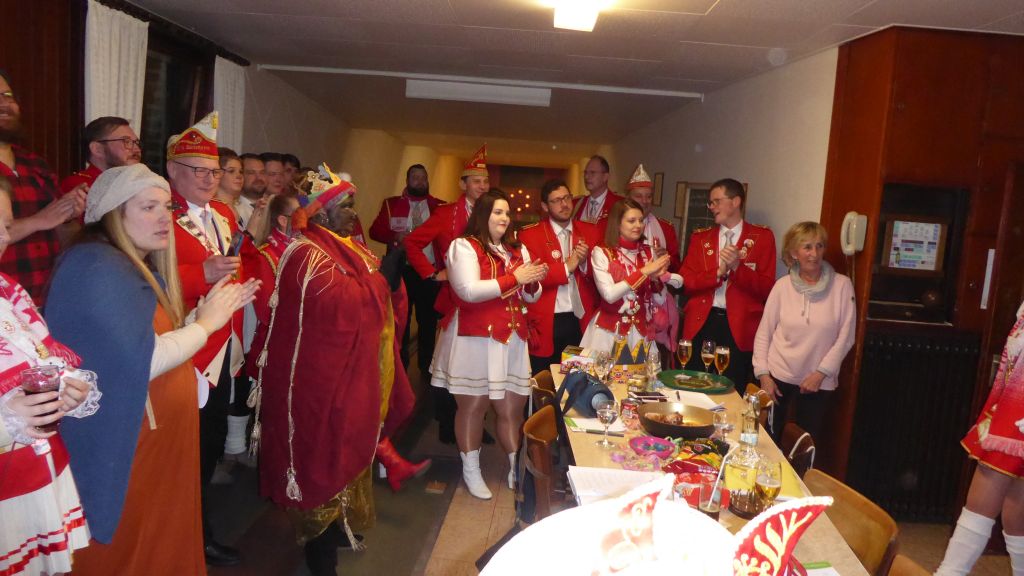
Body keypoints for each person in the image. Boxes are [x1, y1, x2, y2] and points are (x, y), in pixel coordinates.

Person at [46, 164, 257, 575]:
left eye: (166, 207)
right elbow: (141, 361)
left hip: (155, 437)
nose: (164, 218)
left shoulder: (125, 264)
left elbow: (141, 340)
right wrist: (205, 324)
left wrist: (197, 318)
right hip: (129, 444)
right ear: (113, 214)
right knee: (130, 551)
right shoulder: (98, 266)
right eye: (148, 207)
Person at [251, 168, 415, 575]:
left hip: (349, 376)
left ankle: (338, 529)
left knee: (346, 457)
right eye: (347, 205)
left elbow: (371, 296)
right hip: (318, 383)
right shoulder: (306, 254)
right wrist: (384, 280)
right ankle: (320, 558)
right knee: (320, 463)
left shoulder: (344, 248)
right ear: (321, 213)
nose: (354, 213)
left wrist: (387, 282)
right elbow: (343, 310)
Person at [0, 176, 96, 576]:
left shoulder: (8, 293)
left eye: (6, 225)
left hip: (36, 476)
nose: (2, 238)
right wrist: (7, 420)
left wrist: (70, 388)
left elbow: (45, 356)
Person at [165, 112, 246, 566]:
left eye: (214, 171)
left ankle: (198, 529)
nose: (209, 179)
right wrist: (201, 274)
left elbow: (231, 267)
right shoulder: (160, 213)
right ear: (172, 170)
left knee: (210, 444)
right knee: (187, 452)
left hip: (221, 346)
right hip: (185, 347)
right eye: (198, 170)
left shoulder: (223, 214)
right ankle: (191, 538)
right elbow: (148, 277)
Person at [430, 188, 547, 500]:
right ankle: (471, 470)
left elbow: (530, 296)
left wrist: (532, 281)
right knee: (473, 407)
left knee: (512, 407)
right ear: (483, 214)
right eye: (498, 212)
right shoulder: (464, 246)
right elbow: (468, 291)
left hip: (512, 339)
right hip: (475, 338)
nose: (505, 218)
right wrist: (517, 278)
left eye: (507, 213)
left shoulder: (516, 249)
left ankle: (515, 467)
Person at [405, 145, 490, 445]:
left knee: (479, 365)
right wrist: (431, 273)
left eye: (486, 181)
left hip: (485, 302)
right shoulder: (445, 214)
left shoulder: (494, 214)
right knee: (447, 364)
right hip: (453, 301)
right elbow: (412, 243)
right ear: (462, 184)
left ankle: (476, 421)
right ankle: (445, 420)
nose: (482, 186)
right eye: (476, 181)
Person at [935, 301, 1024, 575]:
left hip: (1017, 414)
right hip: (1012, 405)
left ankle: (949, 572)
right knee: (1016, 506)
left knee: (987, 490)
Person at [752, 222, 854, 441]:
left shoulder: (842, 286)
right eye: (807, 247)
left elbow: (846, 338)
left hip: (818, 382)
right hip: (777, 380)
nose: (814, 254)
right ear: (793, 253)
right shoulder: (782, 286)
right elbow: (764, 333)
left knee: (803, 448)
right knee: (768, 443)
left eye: (819, 246)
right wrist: (763, 375)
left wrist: (821, 373)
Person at [679, 178, 776, 386]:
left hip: (739, 329)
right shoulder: (700, 238)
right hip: (702, 323)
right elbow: (686, 282)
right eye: (710, 202)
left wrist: (737, 268)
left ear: (735, 201)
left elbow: (767, 289)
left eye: (716, 201)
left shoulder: (762, 237)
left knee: (730, 390)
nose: (711, 207)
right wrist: (716, 274)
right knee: (693, 386)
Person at [0, 70, 86, 304]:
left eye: (8, 95)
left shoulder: (36, 164)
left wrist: (68, 216)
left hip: (51, 299)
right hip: (7, 307)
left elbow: (63, 236)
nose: (5, 103)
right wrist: (38, 220)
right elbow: (43, 220)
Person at [519, 178, 600, 375]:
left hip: (580, 320)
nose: (564, 204)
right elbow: (533, 278)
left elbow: (602, 275)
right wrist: (567, 267)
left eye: (566, 198)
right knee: (543, 378)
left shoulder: (590, 231)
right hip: (546, 321)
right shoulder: (530, 235)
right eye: (556, 200)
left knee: (576, 378)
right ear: (545, 206)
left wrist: (584, 263)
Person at [369, 163, 444, 374]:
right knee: (399, 319)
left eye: (423, 178)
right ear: (407, 181)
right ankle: (399, 367)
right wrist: (394, 236)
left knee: (428, 321)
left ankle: (427, 367)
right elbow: (375, 231)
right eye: (415, 178)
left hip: (428, 271)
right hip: (401, 269)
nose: (420, 182)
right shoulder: (392, 204)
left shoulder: (439, 207)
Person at [579, 199, 680, 353]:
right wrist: (644, 272)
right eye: (632, 221)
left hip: (642, 332)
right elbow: (609, 295)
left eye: (640, 220)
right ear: (617, 224)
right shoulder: (602, 252)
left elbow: (659, 300)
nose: (638, 225)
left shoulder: (649, 252)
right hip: (609, 333)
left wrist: (656, 282)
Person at [625, 163, 681, 364]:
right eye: (639, 196)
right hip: (629, 304)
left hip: (659, 307)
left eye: (648, 196)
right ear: (629, 198)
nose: (645, 201)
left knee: (656, 362)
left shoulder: (665, 227)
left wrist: (667, 259)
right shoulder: (617, 226)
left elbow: (678, 266)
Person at [59, 116, 141, 196]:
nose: (137, 149)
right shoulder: (79, 186)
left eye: (136, 142)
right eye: (126, 141)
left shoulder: (138, 181)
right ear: (97, 149)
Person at [573, 155, 622, 234]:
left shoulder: (620, 204)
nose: (586, 177)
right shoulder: (576, 204)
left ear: (605, 177)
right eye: (585, 172)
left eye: (592, 173)